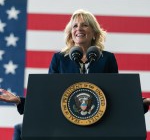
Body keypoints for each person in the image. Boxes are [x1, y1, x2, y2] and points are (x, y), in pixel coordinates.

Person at [0, 9, 150, 115]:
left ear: (94, 32)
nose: (79, 28)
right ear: (71, 32)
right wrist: (19, 100)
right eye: (75, 26)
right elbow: (49, 94)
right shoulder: (59, 58)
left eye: (84, 25)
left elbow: (116, 95)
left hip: (99, 122)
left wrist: (142, 102)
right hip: (66, 122)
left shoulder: (107, 58)